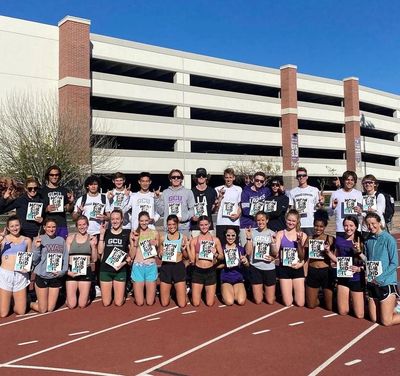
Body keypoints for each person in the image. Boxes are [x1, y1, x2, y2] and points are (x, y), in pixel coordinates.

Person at [364, 212, 400, 326]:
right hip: (373, 283)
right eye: (368, 224)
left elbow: (394, 263)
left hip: (386, 283)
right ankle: (391, 309)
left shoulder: (389, 239)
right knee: (374, 318)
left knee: (386, 321)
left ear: (379, 223)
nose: (371, 226)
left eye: (373, 223)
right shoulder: (368, 240)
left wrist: (380, 278)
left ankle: (393, 306)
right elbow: (367, 260)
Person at [31, 218, 68, 313]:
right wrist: (36, 248)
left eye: (53, 227)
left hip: (55, 277)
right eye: (48, 227)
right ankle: (29, 302)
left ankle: (41, 301)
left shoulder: (61, 240)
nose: (51, 229)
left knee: (50, 309)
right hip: (42, 276)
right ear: (44, 227)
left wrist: (62, 272)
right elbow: (34, 261)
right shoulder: (39, 239)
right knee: (43, 310)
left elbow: (65, 258)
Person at [332, 216, 365, 319]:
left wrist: (359, 269)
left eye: (351, 225)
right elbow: (337, 259)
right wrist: (328, 252)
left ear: (356, 226)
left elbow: (368, 261)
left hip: (357, 278)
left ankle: (366, 302)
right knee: (343, 311)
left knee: (359, 315)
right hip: (343, 277)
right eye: (346, 225)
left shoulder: (361, 240)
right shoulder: (338, 240)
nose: (348, 228)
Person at [98, 209, 132, 307]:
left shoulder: (127, 233)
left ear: (122, 220)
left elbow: (131, 254)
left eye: (117, 219)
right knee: (106, 303)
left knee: (118, 303)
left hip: (120, 270)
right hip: (105, 270)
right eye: (113, 219)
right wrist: (101, 235)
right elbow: (100, 251)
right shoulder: (106, 232)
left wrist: (125, 262)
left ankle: (124, 290)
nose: (115, 221)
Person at [0, 216, 32, 317]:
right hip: (5, 275)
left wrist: (28, 268)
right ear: (8, 228)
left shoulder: (27, 240)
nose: (15, 228)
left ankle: (15, 301)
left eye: (17, 225)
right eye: (12, 226)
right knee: (4, 313)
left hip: (20, 276)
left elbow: (29, 257)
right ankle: (7, 300)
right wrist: (1, 238)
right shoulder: (3, 239)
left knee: (21, 311)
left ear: (20, 226)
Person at [274, 209, 307, 307]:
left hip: (297, 268)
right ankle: (285, 292)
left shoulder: (302, 235)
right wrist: (273, 242)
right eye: (289, 220)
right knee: (288, 303)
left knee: (300, 303)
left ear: (297, 222)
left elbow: (305, 256)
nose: (291, 223)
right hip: (284, 269)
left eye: (293, 221)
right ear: (285, 220)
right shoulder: (280, 233)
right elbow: (275, 253)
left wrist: (300, 264)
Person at [304, 211, 336, 310]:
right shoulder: (309, 238)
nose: (318, 228)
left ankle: (330, 297)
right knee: (311, 305)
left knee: (329, 307)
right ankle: (317, 298)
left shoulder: (330, 239)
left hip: (326, 271)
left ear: (325, 226)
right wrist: (305, 273)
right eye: (316, 226)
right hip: (313, 271)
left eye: (321, 226)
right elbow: (304, 257)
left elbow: (334, 258)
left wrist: (328, 251)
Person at [189, 216, 223, 307]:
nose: (204, 227)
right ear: (198, 226)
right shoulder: (194, 240)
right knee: (196, 303)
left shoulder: (215, 240)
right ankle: (194, 292)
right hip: (197, 271)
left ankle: (206, 293)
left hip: (210, 271)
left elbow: (221, 256)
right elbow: (192, 260)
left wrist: (215, 253)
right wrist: (187, 248)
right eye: (201, 225)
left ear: (209, 225)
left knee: (210, 303)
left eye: (206, 225)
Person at [245, 212, 277, 305]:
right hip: (255, 267)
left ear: (267, 220)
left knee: (270, 301)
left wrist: (274, 244)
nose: (260, 222)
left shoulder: (272, 233)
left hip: (269, 268)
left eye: (263, 220)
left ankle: (269, 293)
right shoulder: (252, 232)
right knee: (258, 301)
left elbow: (275, 253)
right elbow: (248, 252)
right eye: (258, 220)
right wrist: (248, 238)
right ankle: (260, 291)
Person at [65, 216, 97, 309]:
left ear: (87, 225)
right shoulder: (70, 238)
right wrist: (67, 271)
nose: (82, 227)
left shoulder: (92, 238)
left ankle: (88, 294)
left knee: (82, 304)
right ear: (76, 226)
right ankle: (69, 296)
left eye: (84, 224)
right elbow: (66, 257)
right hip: (72, 271)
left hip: (85, 271)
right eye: (79, 225)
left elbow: (94, 260)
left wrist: (93, 246)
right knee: (71, 305)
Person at [158, 215, 189, 307]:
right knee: (164, 303)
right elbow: (159, 256)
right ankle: (173, 290)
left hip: (178, 267)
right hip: (166, 267)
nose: (171, 227)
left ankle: (183, 292)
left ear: (177, 224)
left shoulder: (183, 237)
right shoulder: (163, 238)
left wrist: (183, 249)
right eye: (169, 224)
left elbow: (186, 257)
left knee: (182, 304)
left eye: (173, 224)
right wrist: (160, 253)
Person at [154, 169, 195, 238]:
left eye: (178, 177)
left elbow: (193, 209)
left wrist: (183, 218)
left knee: (184, 248)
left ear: (181, 179)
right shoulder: (165, 192)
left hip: (183, 228)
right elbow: (161, 212)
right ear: (170, 179)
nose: (176, 179)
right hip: (169, 228)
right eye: (173, 177)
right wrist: (157, 199)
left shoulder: (188, 192)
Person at [130, 211, 159, 306]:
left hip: (151, 267)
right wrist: (135, 242)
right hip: (138, 267)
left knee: (150, 302)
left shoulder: (155, 233)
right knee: (139, 302)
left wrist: (156, 245)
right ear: (138, 221)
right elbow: (131, 255)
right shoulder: (134, 233)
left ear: (149, 221)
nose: (144, 223)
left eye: (146, 220)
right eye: (142, 221)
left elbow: (159, 254)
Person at [40, 165, 74, 239]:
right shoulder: (41, 191)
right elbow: (37, 210)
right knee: (46, 248)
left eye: (57, 175)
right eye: (52, 175)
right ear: (47, 176)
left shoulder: (64, 190)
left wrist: (71, 202)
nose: (54, 177)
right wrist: (46, 209)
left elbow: (69, 209)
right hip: (48, 226)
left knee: (61, 247)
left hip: (61, 225)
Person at [288, 167, 324, 236]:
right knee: (298, 245)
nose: (301, 177)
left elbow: (318, 206)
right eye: (299, 176)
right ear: (297, 177)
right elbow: (291, 209)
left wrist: (321, 203)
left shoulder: (314, 190)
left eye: (303, 175)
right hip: (297, 224)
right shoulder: (292, 192)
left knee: (310, 245)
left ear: (307, 177)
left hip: (311, 223)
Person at [239, 172, 271, 246]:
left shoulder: (266, 191)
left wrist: (283, 192)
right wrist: (259, 216)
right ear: (253, 180)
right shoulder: (245, 192)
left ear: (264, 182)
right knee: (246, 249)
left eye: (261, 181)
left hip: (260, 225)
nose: (259, 182)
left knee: (258, 250)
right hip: (246, 225)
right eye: (257, 180)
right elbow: (245, 210)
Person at [329, 170, 363, 238]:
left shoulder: (358, 194)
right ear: (343, 181)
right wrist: (333, 207)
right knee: (341, 248)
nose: (349, 182)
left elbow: (360, 213)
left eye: (352, 180)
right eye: (347, 180)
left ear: (355, 181)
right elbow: (330, 213)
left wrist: (360, 211)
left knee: (356, 248)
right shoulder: (335, 193)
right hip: (341, 229)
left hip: (354, 229)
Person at [220, 227, 248, 306]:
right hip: (226, 278)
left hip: (238, 278)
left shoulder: (241, 249)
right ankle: (225, 292)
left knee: (241, 301)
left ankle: (233, 292)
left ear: (236, 236)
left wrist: (245, 261)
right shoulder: (221, 248)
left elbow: (247, 265)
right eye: (228, 235)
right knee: (229, 302)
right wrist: (226, 264)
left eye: (233, 235)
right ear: (225, 236)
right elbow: (215, 266)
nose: (230, 237)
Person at [215, 168, 242, 245]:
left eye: (230, 177)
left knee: (234, 247)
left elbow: (240, 205)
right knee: (221, 246)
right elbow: (216, 208)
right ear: (224, 178)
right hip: (221, 222)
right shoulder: (218, 189)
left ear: (234, 178)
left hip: (234, 223)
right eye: (226, 177)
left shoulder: (239, 189)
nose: (228, 180)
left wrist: (237, 215)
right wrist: (220, 197)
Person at [190, 168, 217, 237]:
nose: (201, 177)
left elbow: (213, 210)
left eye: (203, 175)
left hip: (208, 227)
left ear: (206, 177)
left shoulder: (212, 191)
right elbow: (188, 209)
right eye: (199, 175)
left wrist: (217, 203)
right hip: (195, 227)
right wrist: (192, 217)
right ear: (196, 177)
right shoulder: (191, 192)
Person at [360, 174, 385, 239]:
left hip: (377, 227)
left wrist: (371, 210)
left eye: (370, 182)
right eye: (365, 183)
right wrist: (359, 212)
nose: (368, 184)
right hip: (365, 228)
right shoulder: (361, 196)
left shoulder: (379, 196)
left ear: (375, 184)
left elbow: (379, 212)